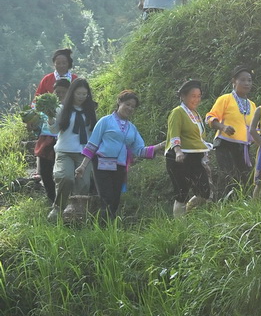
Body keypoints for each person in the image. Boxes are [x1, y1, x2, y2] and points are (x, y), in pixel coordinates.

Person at [75, 90, 165, 219]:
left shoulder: (132, 128)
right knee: (107, 198)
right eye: (127, 104)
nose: (129, 108)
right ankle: (104, 228)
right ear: (119, 102)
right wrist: (83, 166)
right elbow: (92, 144)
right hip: (102, 165)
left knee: (115, 200)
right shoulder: (105, 121)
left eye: (133, 107)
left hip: (120, 167)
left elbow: (139, 150)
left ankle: (108, 228)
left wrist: (160, 146)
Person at [205, 66, 257, 198]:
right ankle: (226, 204)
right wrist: (223, 128)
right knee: (229, 176)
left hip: (244, 147)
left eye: (249, 80)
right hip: (225, 144)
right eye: (243, 80)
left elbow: (255, 127)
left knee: (246, 177)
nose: (247, 83)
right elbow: (210, 118)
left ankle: (245, 204)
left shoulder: (252, 105)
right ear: (234, 81)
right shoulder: (225, 99)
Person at [50, 77, 97, 220]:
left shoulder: (90, 110)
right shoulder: (62, 109)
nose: (81, 97)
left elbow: (93, 132)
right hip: (65, 151)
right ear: (72, 93)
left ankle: (77, 215)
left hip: (83, 153)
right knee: (65, 178)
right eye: (78, 94)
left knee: (82, 185)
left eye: (84, 94)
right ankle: (58, 209)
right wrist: (51, 118)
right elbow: (54, 130)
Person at [165, 79, 212, 217]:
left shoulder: (196, 114)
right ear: (183, 96)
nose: (196, 99)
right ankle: (181, 227)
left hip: (195, 157)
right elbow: (174, 134)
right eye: (193, 96)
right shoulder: (177, 112)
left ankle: (188, 212)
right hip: (179, 157)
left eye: (199, 96)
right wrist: (178, 151)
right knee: (181, 193)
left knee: (204, 191)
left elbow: (198, 138)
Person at [34, 78, 71, 204]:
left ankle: (63, 201)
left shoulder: (71, 110)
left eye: (63, 92)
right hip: (45, 142)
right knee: (46, 172)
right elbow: (38, 127)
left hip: (63, 144)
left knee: (60, 173)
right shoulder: (47, 108)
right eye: (57, 92)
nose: (60, 95)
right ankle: (52, 199)